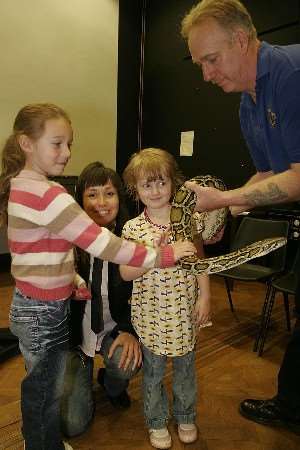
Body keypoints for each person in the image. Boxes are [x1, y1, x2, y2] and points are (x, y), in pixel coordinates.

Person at [0, 103, 196, 450]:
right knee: (44, 392)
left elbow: (34, 253)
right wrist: (162, 255)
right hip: (44, 314)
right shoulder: (48, 194)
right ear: (26, 143)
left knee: (41, 384)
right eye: (57, 143)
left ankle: (45, 440)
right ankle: (41, 445)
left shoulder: (22, 187)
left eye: (69, 144)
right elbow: (102, 243)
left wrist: (72, 282)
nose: (66, 153)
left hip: (35, 307)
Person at [181, 0, 300, 434]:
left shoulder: (290, 74)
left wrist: (226, 197)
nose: (206, 75)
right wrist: (225, 209)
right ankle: (291, 406)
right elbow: (270, 174)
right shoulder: (248, 104)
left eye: (211, 60)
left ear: (242, 39)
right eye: (200, 64)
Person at [120, 148, 211, 449]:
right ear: (136, 189)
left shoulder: (190, 220)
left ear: (174, 182)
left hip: (184, 311)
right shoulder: (132, 228)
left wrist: (205, 298)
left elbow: (201, 263)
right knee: (154, 373)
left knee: (186, 371)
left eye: (162, 182)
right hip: (151, 314)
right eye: (147, 184)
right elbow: (125, 273)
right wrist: (157, 255)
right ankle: (156, 421)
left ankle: (186, 415)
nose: (156, 190)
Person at [60, 161, 142, 437]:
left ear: (120, 196)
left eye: (109, 193)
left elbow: (144, 293)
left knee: (125, 362)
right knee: (72, 425)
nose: (101, 202)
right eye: (92, 194)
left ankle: (110, 381)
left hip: (113, 330)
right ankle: (79, 374)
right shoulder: (66, 240)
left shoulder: (134, 240)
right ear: (80, 199)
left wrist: (131, 330)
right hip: (75, 340)